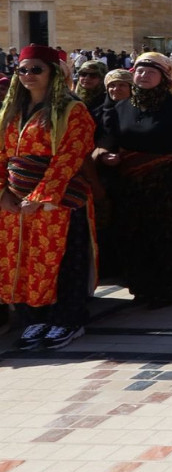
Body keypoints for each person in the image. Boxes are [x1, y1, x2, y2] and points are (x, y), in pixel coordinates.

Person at [0, 45, 97, 350]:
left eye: (36, 69)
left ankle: (68, 320)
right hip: (15, 202)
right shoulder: (11, 110)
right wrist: (3, 194)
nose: (28, 75)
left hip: (58, 199)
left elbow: (70, 155)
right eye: (22, 70)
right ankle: (36, 318)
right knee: (25, 260)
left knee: (64, 261)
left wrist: (41, 196)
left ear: (53, 72)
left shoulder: (72, 110)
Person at [96, 52, 172, 308]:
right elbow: (109, 139)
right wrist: (103, 155)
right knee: (132, 235)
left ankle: (167, 288)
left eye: (151, 72)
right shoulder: (121, 107)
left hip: (166, 184)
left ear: (164, 77)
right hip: (130, 183)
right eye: (140, 71)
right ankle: (142, 287)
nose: (143, 76)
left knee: (165, 234)